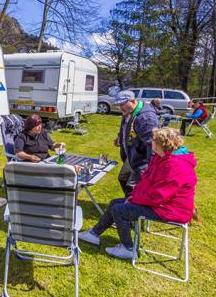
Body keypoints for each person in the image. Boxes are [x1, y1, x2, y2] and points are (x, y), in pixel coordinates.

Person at [78, 127, 197, 260]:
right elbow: (147, 182)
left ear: (161, 144)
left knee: (119, 210)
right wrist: (134, 196)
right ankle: (93, 234)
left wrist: (134, 199)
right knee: (114, 203)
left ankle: (128, 249)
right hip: (161, 205)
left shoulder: (175, 165)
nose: (150, 142)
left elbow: (158, 196)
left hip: (169, 210)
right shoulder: (162, 157)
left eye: (153, 140)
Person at [113, 91, 159, 197]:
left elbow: (153, 145)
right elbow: (126, 127)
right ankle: (128, 201)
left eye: (122, 104)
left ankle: (130, 204)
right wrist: (120, 137)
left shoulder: (146, 118)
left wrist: (151, 169)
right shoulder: (128, 111)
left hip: (142, 161)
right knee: (123, 178)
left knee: (132, 188)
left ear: (133, 101)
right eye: (118, 105)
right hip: (132, 155)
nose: (120, 108)